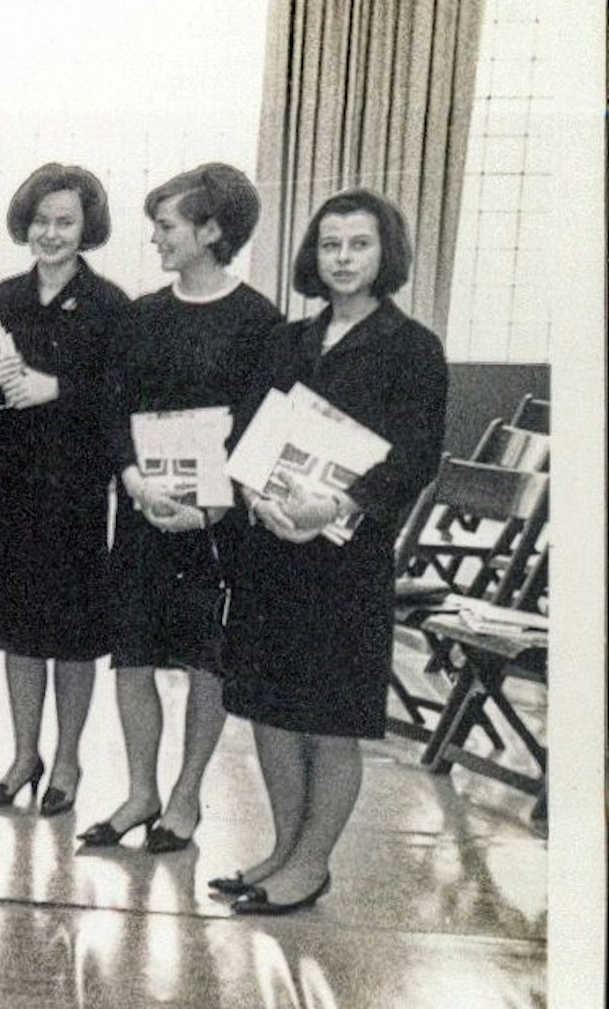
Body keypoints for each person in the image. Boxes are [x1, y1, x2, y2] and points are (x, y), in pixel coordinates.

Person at [211, 189, 446, 915]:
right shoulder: (289, 338)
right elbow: (247, 430)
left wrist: (336, 505)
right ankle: (284, 847)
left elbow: (414, 458)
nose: (342, 259)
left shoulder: (412, 348)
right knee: (270, 708)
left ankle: (311, 864)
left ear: (386, 255)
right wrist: (255, 493)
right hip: (273, 547)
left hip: (344, 558)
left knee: (329, 716)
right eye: (330, 245)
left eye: (359, 245)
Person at [80, 163, 281, 853]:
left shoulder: (261, 322)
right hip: (144, 510)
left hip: (215, 524)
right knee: (132, 657)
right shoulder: (141, 316)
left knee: (205, 661)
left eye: (167, 226)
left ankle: (187, 796)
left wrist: (211, 508)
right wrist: (133, 482)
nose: (157, 239)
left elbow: (261, 427)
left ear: (212, 230)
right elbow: (114, 409)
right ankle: (141, 791)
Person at [0, 162, 130, 819]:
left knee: (71, 633)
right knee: (17, 630)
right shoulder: (1, 297)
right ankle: (22, 754)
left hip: (75, 483)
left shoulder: (111, 304)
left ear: (86, 227)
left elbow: (121, 395)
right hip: (12, 476)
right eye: (41, 220)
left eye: (65, 221)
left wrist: (56, 386)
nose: (51, 233)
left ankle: (67, 758)